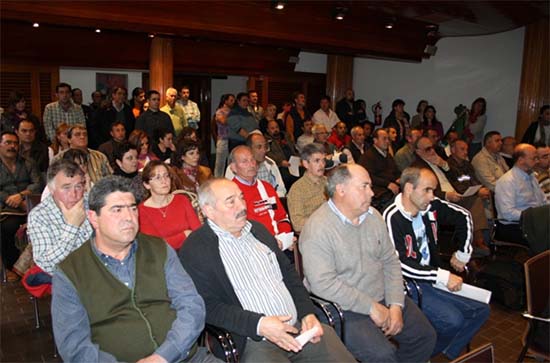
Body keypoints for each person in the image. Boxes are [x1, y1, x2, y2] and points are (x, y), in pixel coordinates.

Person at [179, 178, 356, 363]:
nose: (241, 206)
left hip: (298, 329)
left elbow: (290, 276)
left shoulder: (258, 231)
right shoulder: (196, 249)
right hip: (253, 340)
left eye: (241, 197)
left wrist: (307, 313)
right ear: (209, 210)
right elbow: (207, 306)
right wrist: (259, 324)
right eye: (231, 201)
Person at [51, 176, 213, 363]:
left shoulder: (158, 248)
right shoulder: (70, 272)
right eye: (117, 210)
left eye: (133, 208)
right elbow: (75, 346)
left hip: (183, 357)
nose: (129, 217)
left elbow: (191, 305)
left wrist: (164, 355)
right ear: (93, 218)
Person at [299, 164, 436, 362]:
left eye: (370, 186)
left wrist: (396, 304)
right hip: (344, 306)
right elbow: (323, 284)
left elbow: (390, 261)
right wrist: (371, 307)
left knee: (424, 336)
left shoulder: (373, 217)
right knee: (382, 355)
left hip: (381, 296)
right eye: (364, 186)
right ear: (341, 189)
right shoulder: (317, 229)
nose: (371, 193)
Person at [383, 167, 489, 360]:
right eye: (427, 190)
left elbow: (464, 215)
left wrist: (464, 253)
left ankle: (439, 353)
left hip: (432, 277)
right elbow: (400, 265)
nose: (432, 196)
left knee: (480, 310)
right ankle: (418, 356)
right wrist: (443, 276)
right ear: (408, 189)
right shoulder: (391, 217)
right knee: (453, 320)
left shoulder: (428, 206)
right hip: (408, 285)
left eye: (433, 190)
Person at [28, 159, 92, 276]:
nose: (74, 194)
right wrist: (72, 227)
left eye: (78, 186)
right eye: (66, 187)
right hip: (69, 278)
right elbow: (47, 265)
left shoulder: (92, 203)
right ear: (52, 190)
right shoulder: (39, 216)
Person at [0, 131, 43, 280]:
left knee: (40, 225)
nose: (12, 146)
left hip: (28, 204)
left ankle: (37, 267)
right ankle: (10, 267)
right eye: (8, 143)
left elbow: (37, 183)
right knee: (9, 227)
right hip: (5, 208)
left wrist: (21, 196)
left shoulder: (28, 162)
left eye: (15, 143)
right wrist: (9, 199)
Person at [229, 146, 292, 241]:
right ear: (233, 167)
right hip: (252, 247)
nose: (251, 164)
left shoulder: (267, 188)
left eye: (252, 160)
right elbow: (236, 231)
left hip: (279, 242)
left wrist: (284, 237)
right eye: (245, 161)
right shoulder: (230, 193)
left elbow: (281, 217)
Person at [139, 161, 201, 250]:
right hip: (164, 260)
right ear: (147, 185)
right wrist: (185, 235)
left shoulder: (182, 200)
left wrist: (171, 240)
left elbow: (197, 232)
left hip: (191, 251)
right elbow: (155, 246)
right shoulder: (142, 211)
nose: (164, 181)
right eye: (158, 178)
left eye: (166, 176)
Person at [495, 144, 547, 237]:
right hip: (515, 227)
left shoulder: (531, 176)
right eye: (534, 158)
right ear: (520, 160)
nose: (537, 161)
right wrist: (534, 216)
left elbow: (543, 201)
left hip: (533, 222)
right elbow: (507, 214)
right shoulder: (507, 181)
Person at [225, 133, 287, 197]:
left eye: (265, 146)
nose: (264, 150)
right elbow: (230, 194)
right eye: (259, 147)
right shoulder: (234, 167)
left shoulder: (270, 163)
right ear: (249, 149)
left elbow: (281, 189)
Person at [287, 143, 327, 233]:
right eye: (317, 161)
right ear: (305, 164)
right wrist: (323, 221)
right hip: (313, 234)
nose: (322, 165)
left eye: (323, 161)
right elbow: (297, 224)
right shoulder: (297, 190)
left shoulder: (328, 182)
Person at [358, 128, 401, 211]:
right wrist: (387, 184)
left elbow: (395, 170)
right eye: (384, 139)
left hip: (392, 185)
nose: (387, 141)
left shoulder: (387, 155)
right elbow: (368, 176)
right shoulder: (367, 156)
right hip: (378, 189)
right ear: (375, 140)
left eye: (388, 139)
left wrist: (400, 178)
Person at [265, 119, 299, 190]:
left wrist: (298, 159)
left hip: (293, 163)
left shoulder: (285, 136)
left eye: (277, 127)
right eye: (272, 128)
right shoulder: (267, 140)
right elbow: (268, 154)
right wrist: (280, 162)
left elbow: (294, 149)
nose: (276, 130)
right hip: (280, 165)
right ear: (268, 130)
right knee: (287, 177)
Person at [214, 94, 234, 177]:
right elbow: (223, 121)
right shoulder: (220, 111)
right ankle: (217, 180)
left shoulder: (233, 111)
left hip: (232, 139)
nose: (233, 102)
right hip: (223, 139)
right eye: (231, 100)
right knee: (220, 163)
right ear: (225, 101)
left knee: (231, 162)